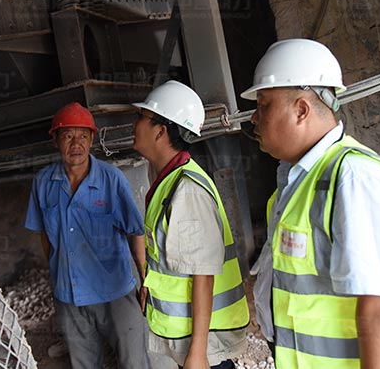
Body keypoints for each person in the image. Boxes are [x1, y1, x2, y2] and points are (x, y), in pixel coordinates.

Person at [243, 39, 380, 369]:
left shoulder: (355, 178)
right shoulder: (296, 181)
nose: (253, 118)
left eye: (263, 105)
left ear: (301, 110)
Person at [132, 80, 250, 369]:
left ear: (161, 131)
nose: (135, 125)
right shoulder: (168, 178)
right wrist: (150, 285)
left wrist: (198, 352)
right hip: (189, 331)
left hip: (205, 340)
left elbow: (203, 274)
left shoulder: (187, 190)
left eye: (142, 117)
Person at [23, 102, 149, 369]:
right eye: (68, 136)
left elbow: (136, 231)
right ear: (55, 140)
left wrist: (145, 280)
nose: (76, 144)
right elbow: (45, 235)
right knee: (84, 364)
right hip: (70, 296)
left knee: (134, 362)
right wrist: (59, 273)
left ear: (92, 139)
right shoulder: (43, 183)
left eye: (82, 135)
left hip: (115, 291)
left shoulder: (111, 179)